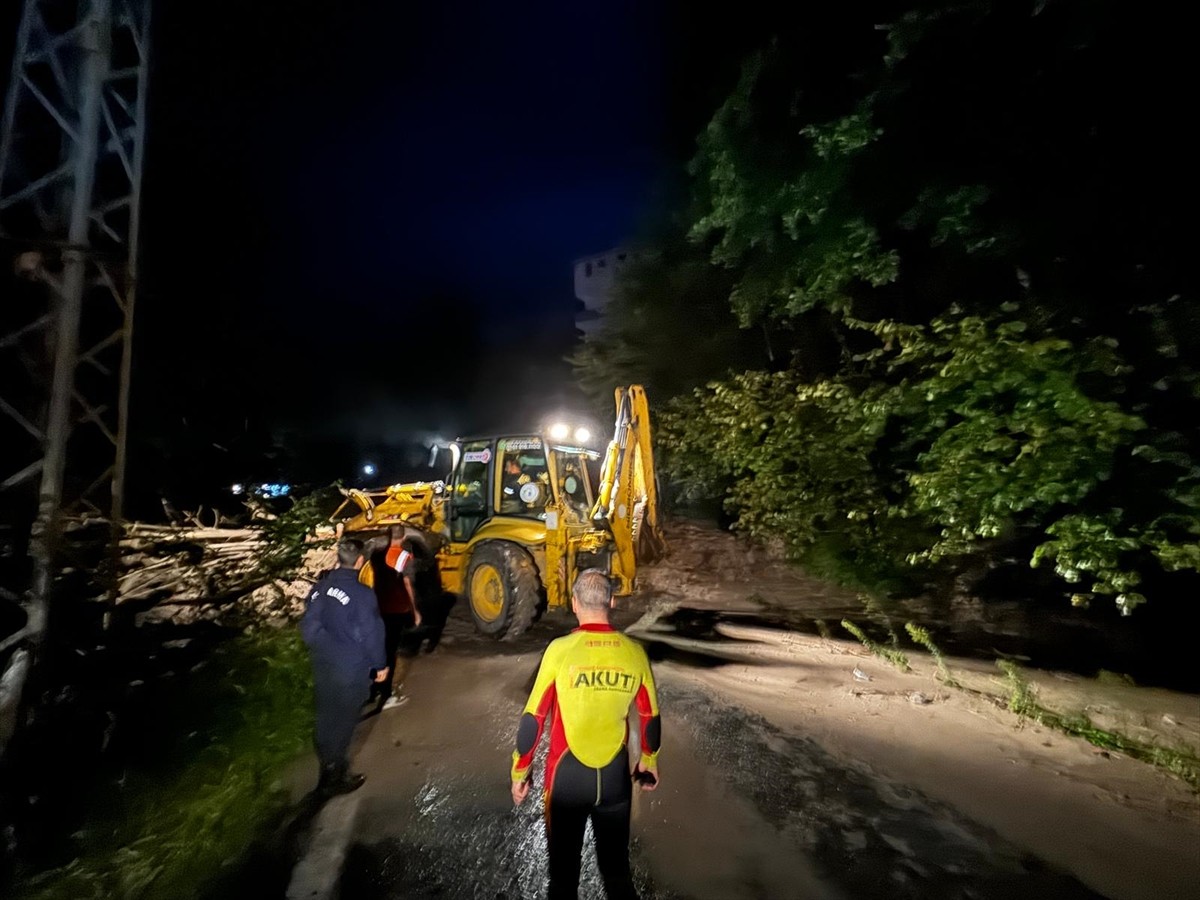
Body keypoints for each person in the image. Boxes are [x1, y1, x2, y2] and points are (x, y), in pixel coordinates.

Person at [510, 569, 661, 900]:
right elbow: (650, 717)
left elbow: (533, 718)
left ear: (574, 603)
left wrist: (520, 771)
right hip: (614, 781)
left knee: (564, 879)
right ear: (612, 601)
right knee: (617, 873)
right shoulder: (634, 652)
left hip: (566, 780)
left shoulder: (560, 650)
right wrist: (648, 762)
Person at [300, 537, 389, 796]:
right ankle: (334, 778)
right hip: (350, 671)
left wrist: (325, 647)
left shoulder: (319, 589)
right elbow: (372, 633)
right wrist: (379, 665)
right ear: (360, 562)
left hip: (322, 665)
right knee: (343, 723)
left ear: (339, 558)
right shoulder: (362, 594)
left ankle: (326, 769)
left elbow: (308, 628)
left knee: (326, 716)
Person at [361, 525, 424, 710]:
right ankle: (386, 692)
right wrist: (415, 611)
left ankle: (372, 690)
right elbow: (407, 584)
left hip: (378, 607)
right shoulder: (405, 557)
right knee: (390, 651)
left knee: (376, 648)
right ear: (403, 537)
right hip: (397, 610)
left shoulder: (376, 556)